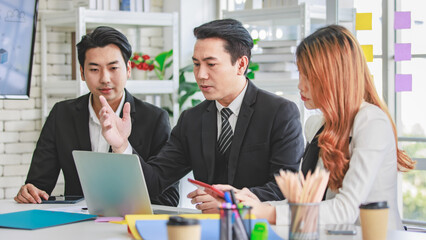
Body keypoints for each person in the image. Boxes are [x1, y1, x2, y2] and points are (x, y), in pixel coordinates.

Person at [216, 25, 416, 230]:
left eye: (308, 76)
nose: (300, 85)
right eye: (300, 74)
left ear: (334, 76)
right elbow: (310, 204)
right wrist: (257, 204)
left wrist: (267, 212)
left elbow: (346, 209)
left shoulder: (371, 122)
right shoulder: (318, 126)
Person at [98, 19, 305, 213]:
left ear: (241, 65)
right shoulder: (192, 120)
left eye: (211, 64)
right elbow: (155, 181)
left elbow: (283, 188)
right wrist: (121, 145)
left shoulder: (279, 113)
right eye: (197, 64)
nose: (200, 74)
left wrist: (230, 201)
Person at [14, 26, 179, 206]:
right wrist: (30, 191)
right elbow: (39, 184)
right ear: (82, 73)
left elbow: (168, 199)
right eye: (94, 69)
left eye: (113, 68)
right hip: (76, 226)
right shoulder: (62, 114)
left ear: (128, 69)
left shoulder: (154, 119)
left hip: (128, 225)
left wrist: (124, 148)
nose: (105, 78)